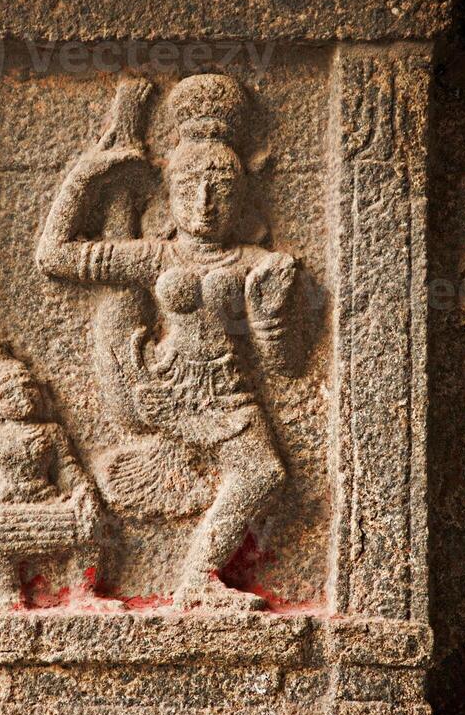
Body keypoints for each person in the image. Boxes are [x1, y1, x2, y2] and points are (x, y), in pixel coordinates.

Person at [37, 74, 297, 610]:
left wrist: (269, 317)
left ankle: (196, 578)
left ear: (241, 195)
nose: (203, 203)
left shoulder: (255, 264)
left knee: (264, 473)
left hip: (227, 392)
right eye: (187, 189)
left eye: (220, 189)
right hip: (162, 387)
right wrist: (87, 173)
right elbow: (55, 257)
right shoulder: (157, 256)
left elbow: (284, 364)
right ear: (169, 193)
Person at [0, 336, 103, 606]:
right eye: (10, 393)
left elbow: (68, 471)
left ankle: (82, 591)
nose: (22, 396)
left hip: (47, 503)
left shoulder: (52, 432)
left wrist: (83, 493)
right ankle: (6, 594)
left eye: (28, 387)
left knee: (90, 523)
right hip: (3, 507)